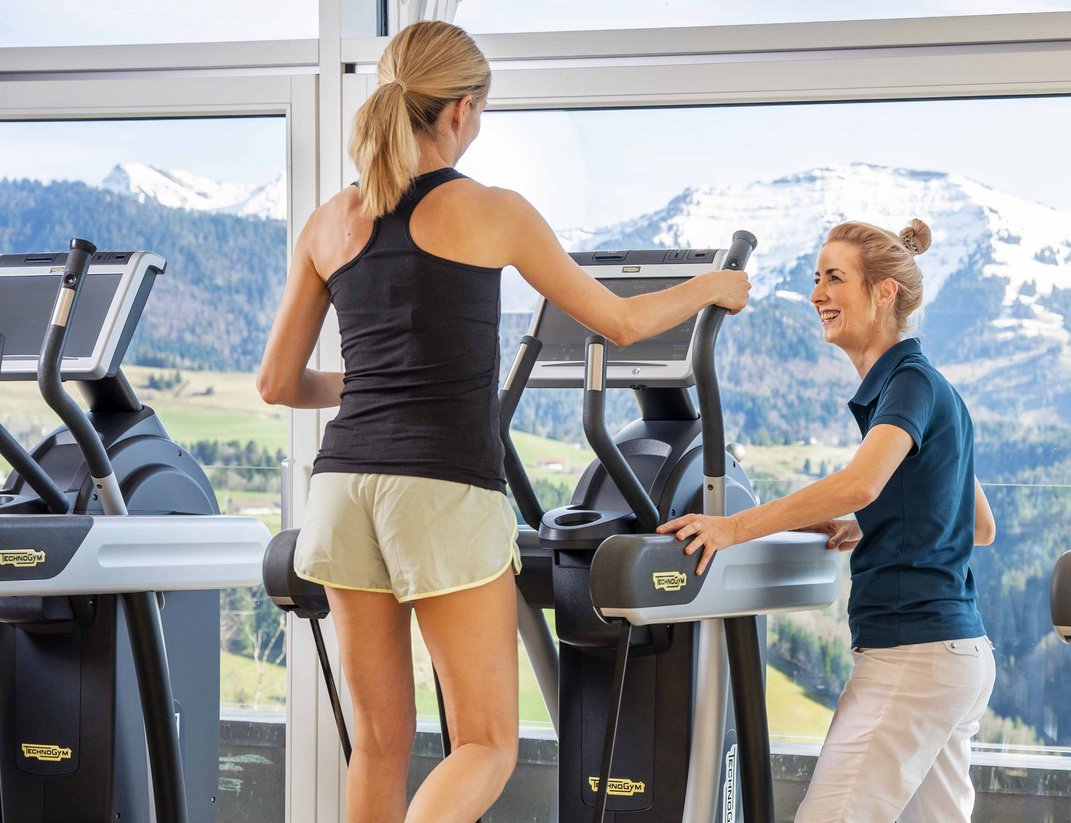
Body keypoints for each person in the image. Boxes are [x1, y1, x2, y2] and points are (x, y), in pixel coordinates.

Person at [255, 20, 748, 822]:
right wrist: (711, 287)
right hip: (443, 487)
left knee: (378, 741)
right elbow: (620, 324)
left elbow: (277, 383)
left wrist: (374, 378)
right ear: (458, 110)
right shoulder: (492, 212)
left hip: (341, 489)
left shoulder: (329, 221)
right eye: (480, 111)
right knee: (484, 742)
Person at [659, 218, 996, 822]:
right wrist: (880, 523)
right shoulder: (924, 386)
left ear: (883, 293)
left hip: (912, 657)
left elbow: (859, 483)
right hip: (957, 655)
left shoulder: (909, 383)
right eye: (816, 278)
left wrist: (732, 528)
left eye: (834, 278)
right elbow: (977, 523)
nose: (817, 294)